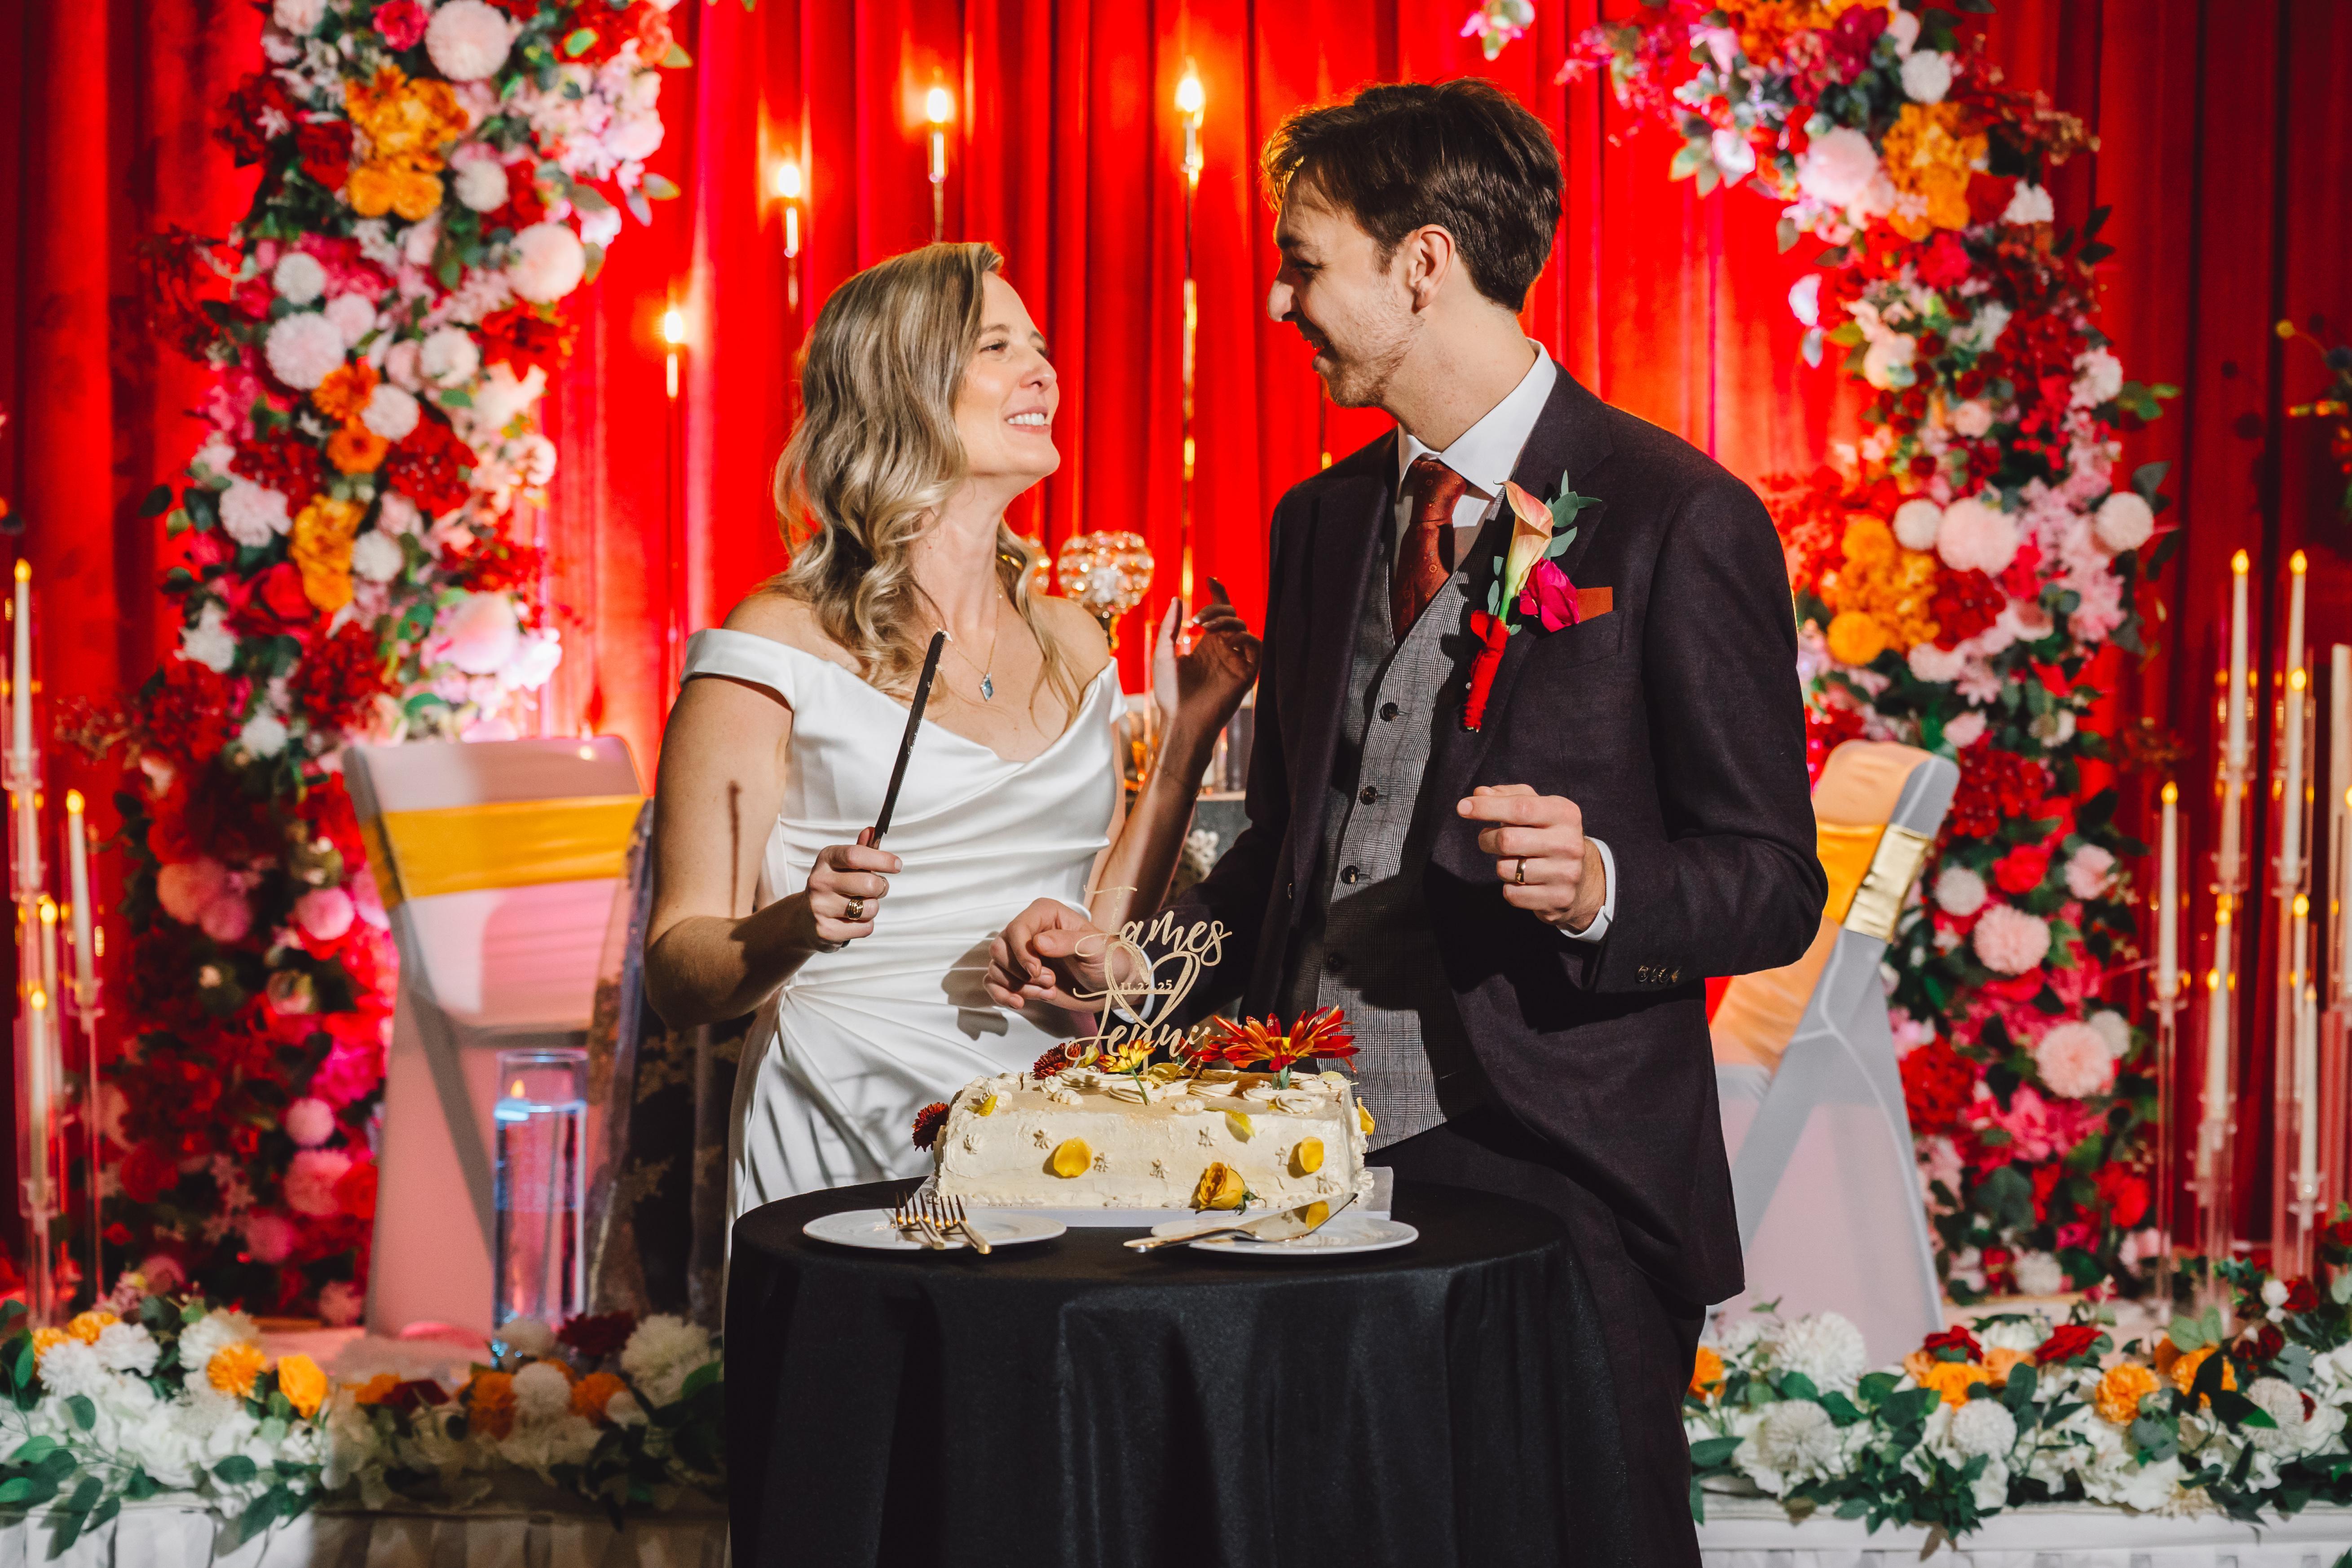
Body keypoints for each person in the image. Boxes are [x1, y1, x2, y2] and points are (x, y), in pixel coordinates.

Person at [986, 82, 1826, 1565]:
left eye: (1303, 261)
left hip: (1553, 1162)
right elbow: (1293, 847)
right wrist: (1134, 967)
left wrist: (1598, 885)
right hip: (1298, 1160)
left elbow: (1768, 881)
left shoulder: (1673, 514)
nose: (1279, 299)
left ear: (1420, 263)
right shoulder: (1317, 523)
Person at [644, 242, 1259, 1221]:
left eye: (1039, 346)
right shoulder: (774, 643)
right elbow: (679, 973)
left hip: (1055, 1116)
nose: (1042, 370)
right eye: (996, 346)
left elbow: (1101, 925)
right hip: (845, 1112)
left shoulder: (1074, 639)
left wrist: (1184, 743)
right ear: (901, 388)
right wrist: (794, 923)